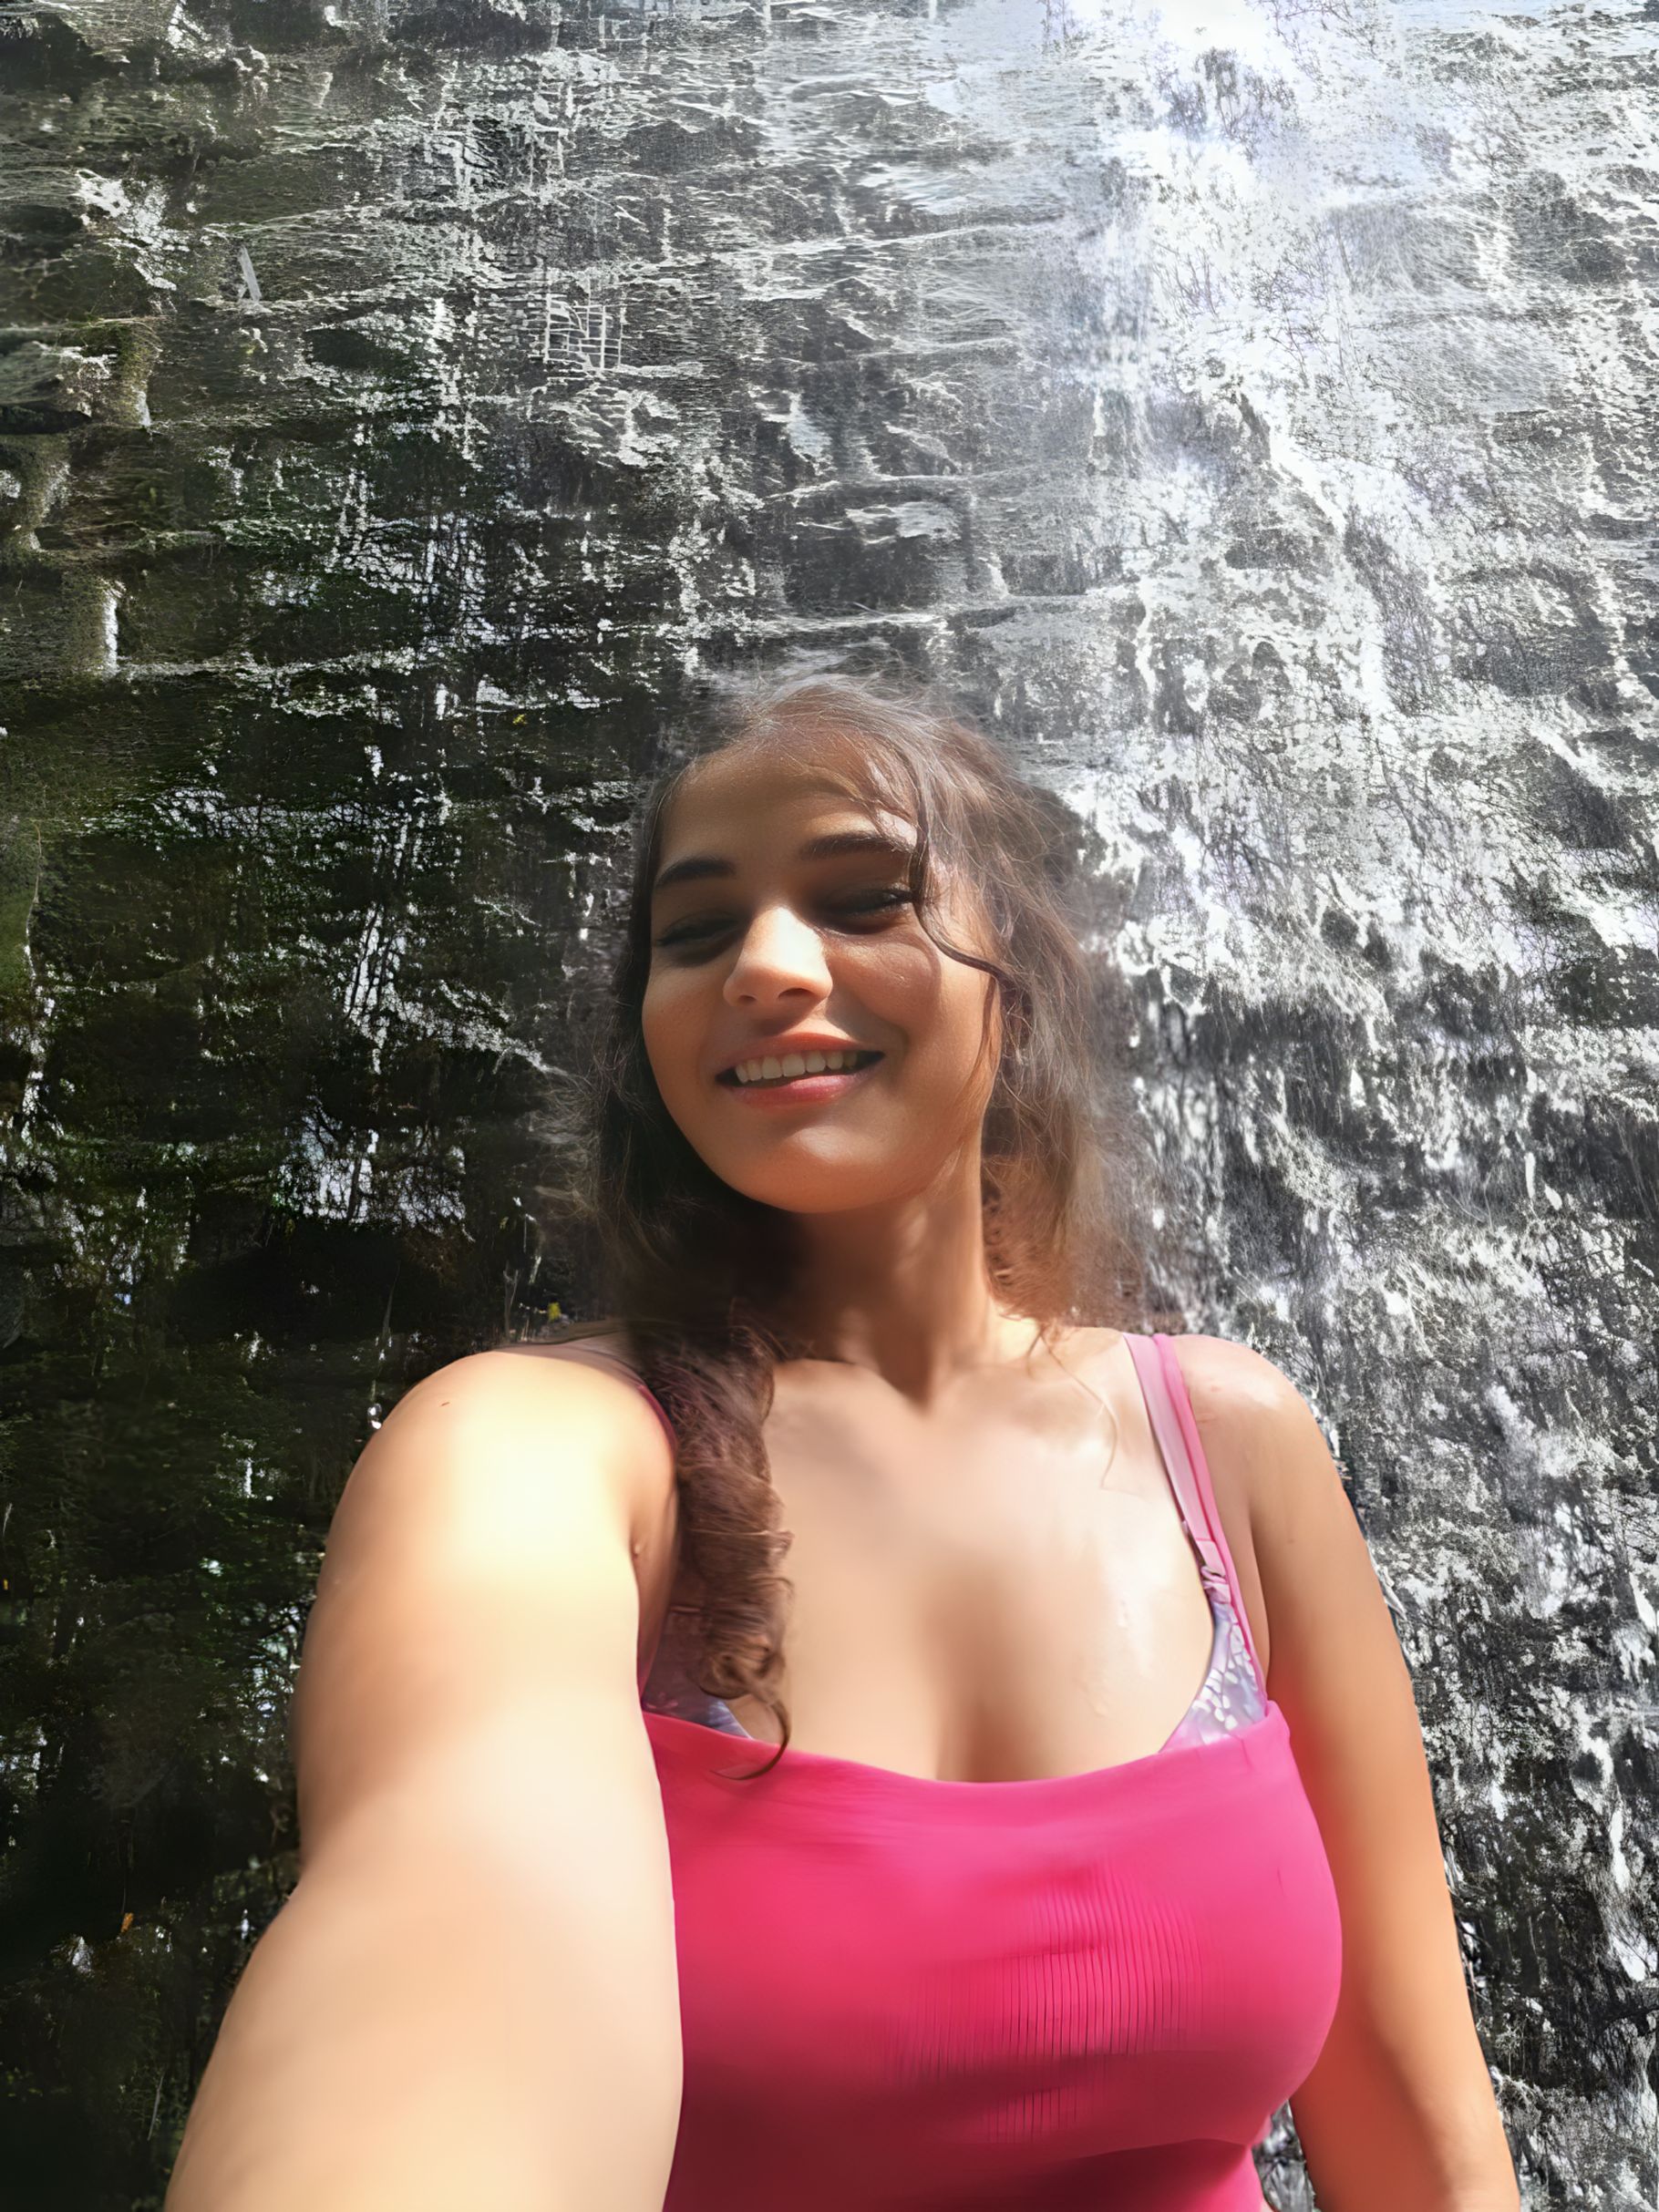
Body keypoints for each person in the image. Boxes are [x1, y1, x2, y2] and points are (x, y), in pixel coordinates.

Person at [167, 674, 1521, 2212]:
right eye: (696, 932)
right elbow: (444, 1927)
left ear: (1021, 982)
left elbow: (1424, 2147)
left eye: (864, 897)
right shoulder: (538, 1455)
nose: (763, 965)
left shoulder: (1232, 1445)